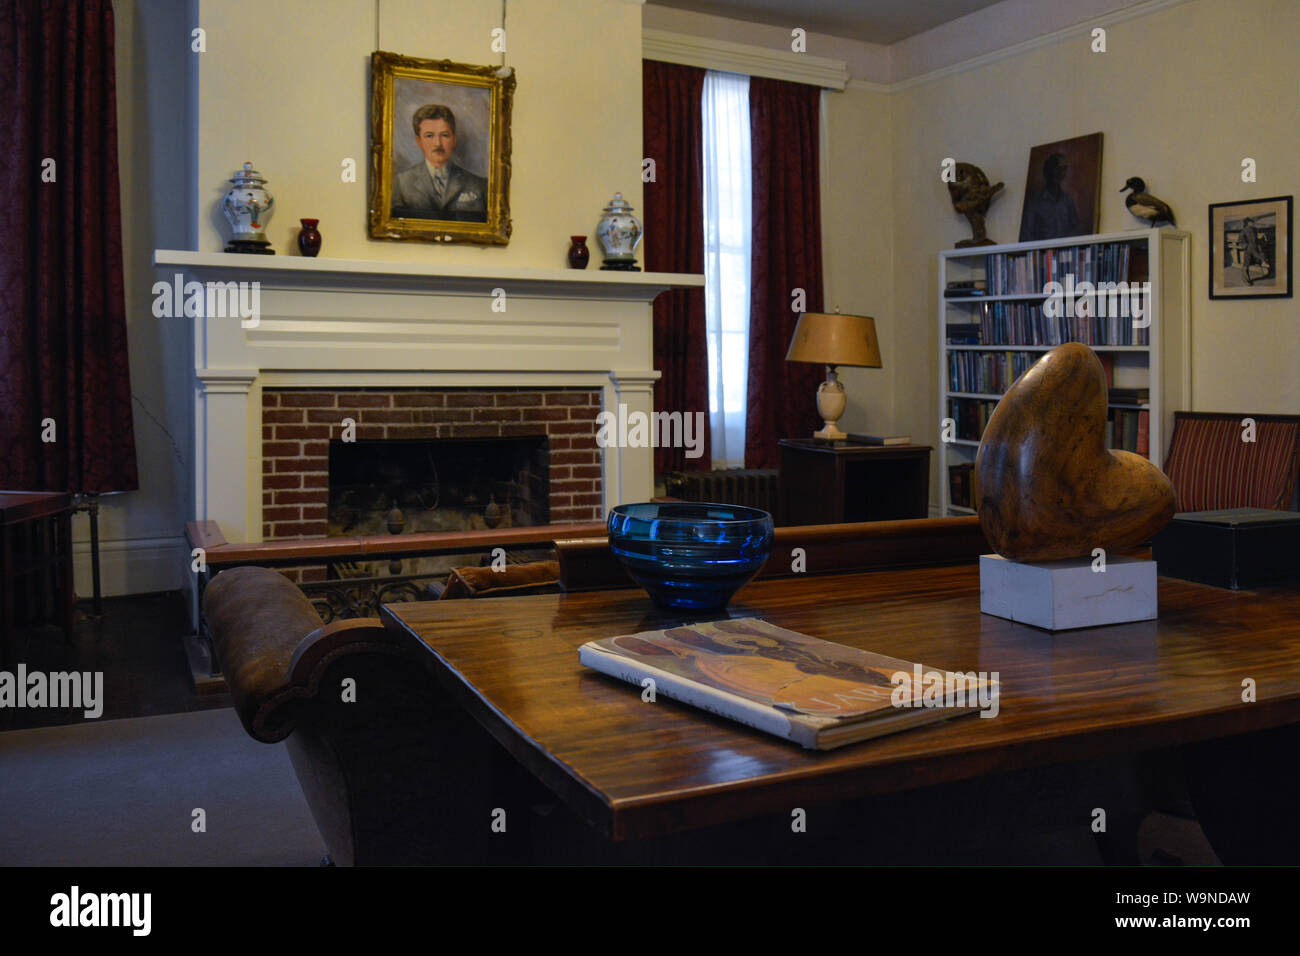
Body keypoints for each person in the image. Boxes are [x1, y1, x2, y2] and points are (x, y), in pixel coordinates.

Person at [390, 104, 488, 222]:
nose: (437, 143)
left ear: (454, 139)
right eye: (429, 136)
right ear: (419, 141)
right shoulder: (400, 184)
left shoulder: (479, 185)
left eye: (444, 135)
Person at [1019, 152, 1081, 241]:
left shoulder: (1068, 200)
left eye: (1063, 169)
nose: (1061, 173)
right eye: (1057, 168)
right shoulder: (1035, 204)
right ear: (1048, 170)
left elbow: (1076, 229)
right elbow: (1026, 236)